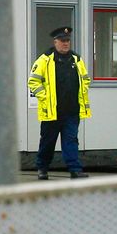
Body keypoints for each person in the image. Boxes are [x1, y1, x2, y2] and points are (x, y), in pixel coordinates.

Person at [27, 26, 91, 180]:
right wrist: (45, 97)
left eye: (67, 41)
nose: (65, 44)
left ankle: (75, 170)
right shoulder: (44, 59)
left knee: (71, 141)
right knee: (47, 142)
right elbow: (33, 81)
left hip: (72, 111)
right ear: (55, 42)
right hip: (52, 111)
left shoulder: (77, 60)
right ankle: (42, 168)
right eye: (62, 41)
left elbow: (86, 80)